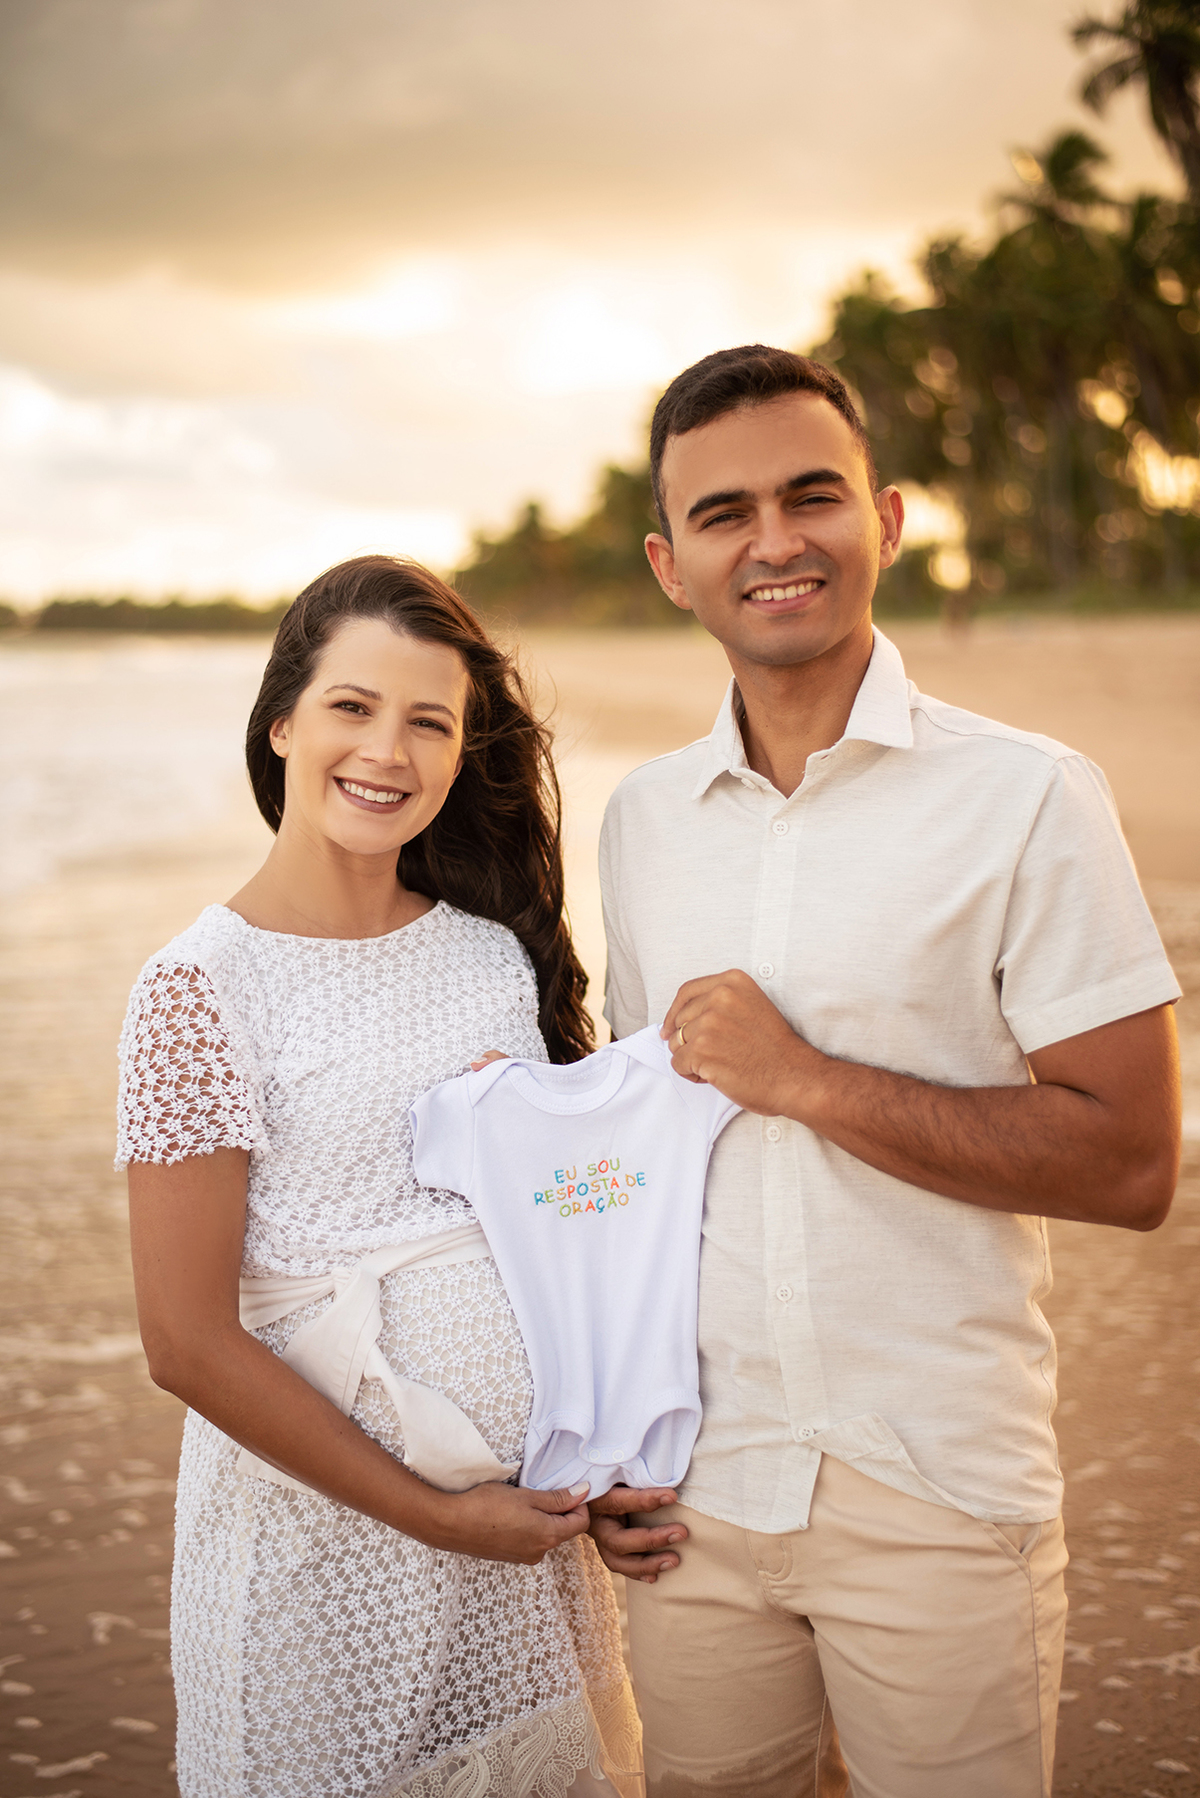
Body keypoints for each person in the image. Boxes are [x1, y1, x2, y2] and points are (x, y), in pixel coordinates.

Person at [589, 346, 1183, 1798]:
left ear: (891, 518)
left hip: (935, 1486)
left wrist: (806, 1078)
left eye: (813, 495)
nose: (776, 540)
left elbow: (1129, 1163)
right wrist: (605, 1426)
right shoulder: (642, 820)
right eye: (725, 513)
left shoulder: (1028, 794)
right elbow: (640, 1164)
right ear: (673, 564)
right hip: (692, 1494)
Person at [117, 555, 655, 1798]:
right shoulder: (199, 988)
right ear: (284, 723)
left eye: (430, 720)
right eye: (354, 707)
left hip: (523, 1554)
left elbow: (568, 1225)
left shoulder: (493, 958)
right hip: (324, 1558)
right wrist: (431, 1511)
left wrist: (614, 1452)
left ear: (464, 753)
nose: (388, 749)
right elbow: (184, 1342)